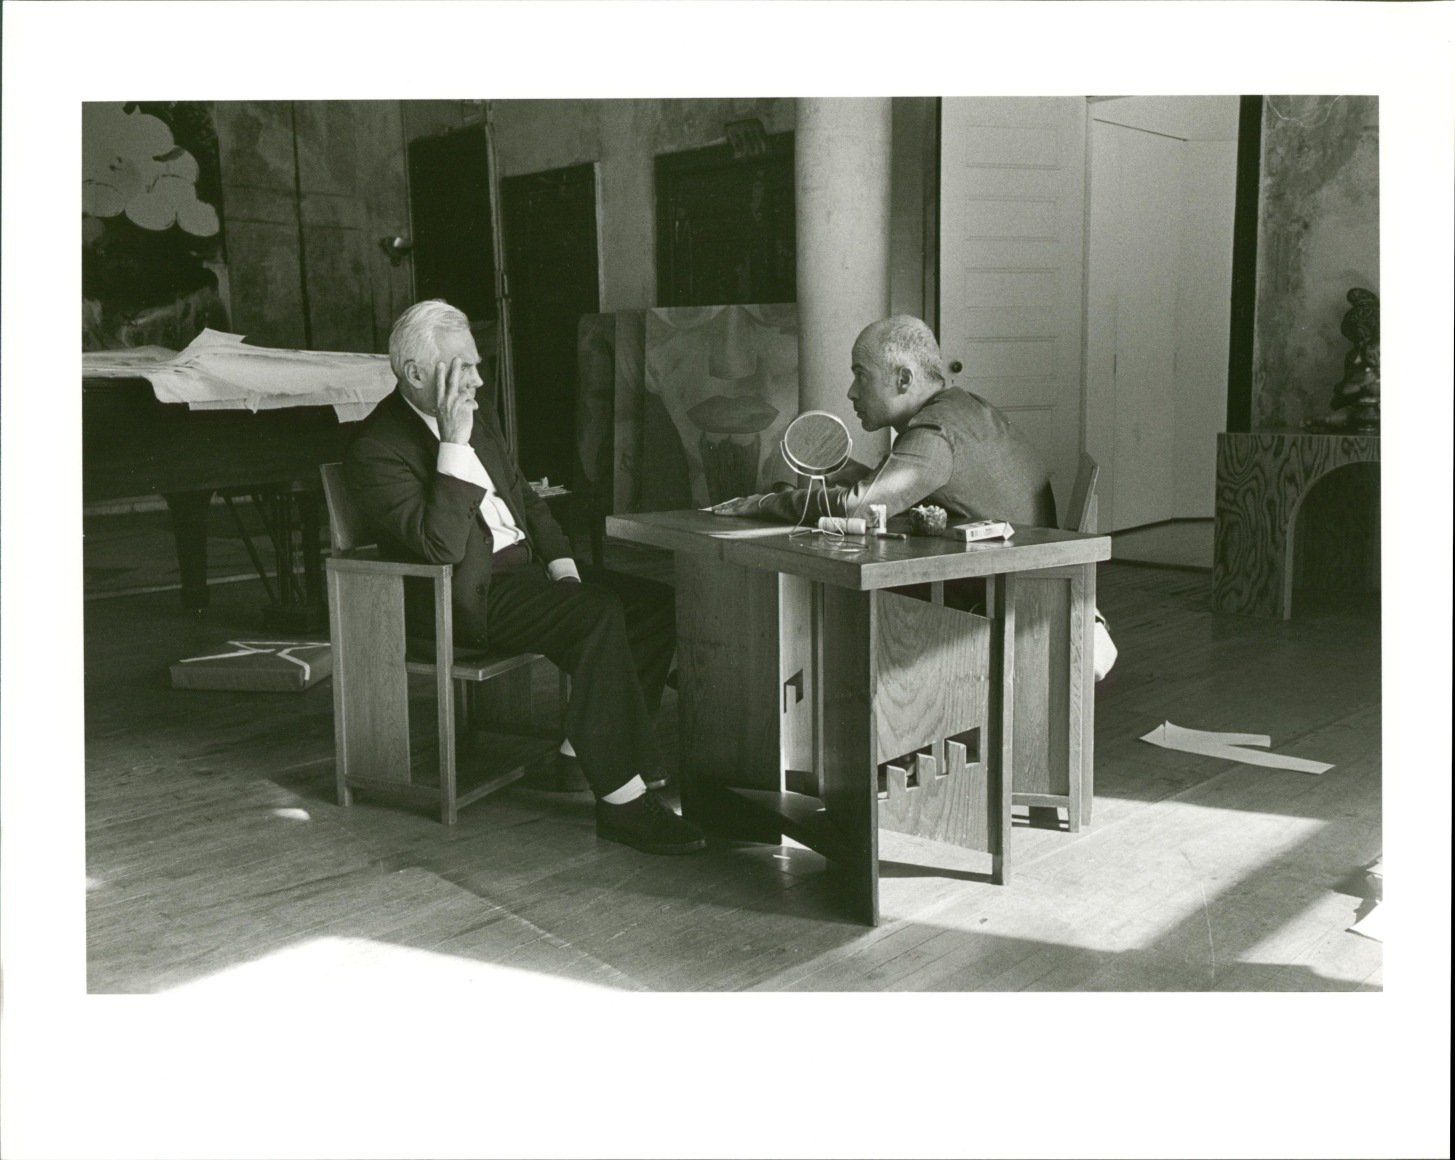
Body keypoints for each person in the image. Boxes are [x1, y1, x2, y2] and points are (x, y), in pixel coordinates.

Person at [343, 299, 704, 854]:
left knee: (656, 604)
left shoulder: (479, 416)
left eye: (477, 365)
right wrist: (452, 444)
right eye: (463, 368)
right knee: (598, 615)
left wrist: (563, 566)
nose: (479, 381)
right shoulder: (376, 448)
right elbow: (439, 546)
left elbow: (526, 500)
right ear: (416, 374)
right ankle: (623, 801)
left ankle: (576, 754)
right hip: (466, 594)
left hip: (528, 573)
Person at [715, 315, 1116, 680]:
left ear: (903, 380)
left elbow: (861, 507)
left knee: (828, 600)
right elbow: (896, 487)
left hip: (997, 610)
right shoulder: (962, 407)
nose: (852, 392)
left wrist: (762, 504)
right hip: (1025, 594)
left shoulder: (934, 432)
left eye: (861, 375)